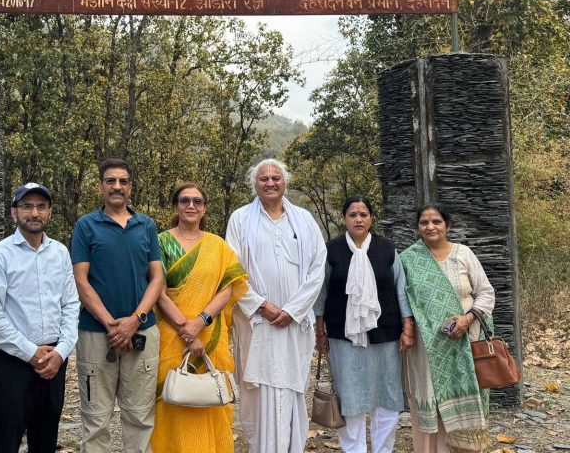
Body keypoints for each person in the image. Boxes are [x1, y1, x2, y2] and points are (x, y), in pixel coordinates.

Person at [226, 158, 327, 453]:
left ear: (285, 182)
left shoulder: (304, 220)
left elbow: (317, 268)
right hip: (258, 323)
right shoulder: (240, 219)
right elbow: (232, 269)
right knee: (258, 391)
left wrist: (292, 311)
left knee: (292, 388)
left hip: (294, 324)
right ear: (254, 185)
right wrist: (261, 306)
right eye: (263, 179)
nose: (270, 183)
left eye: (276, 178)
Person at [71, 158, 165, 453]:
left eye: (123, 181)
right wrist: (112, 324)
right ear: (100, 187)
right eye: (110, 181)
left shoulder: (146, 225)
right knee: (96, 419)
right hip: (97, 335)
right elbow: (81, 281)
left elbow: (157, 277)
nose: (117, 186)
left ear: (130, 188)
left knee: (139, 415)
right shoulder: (86, 226)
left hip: (142, 334)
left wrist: (135, 320)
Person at [0, 182, 80, 453]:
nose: (34, 213)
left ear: (49, 212)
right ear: (14, 213)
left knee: (45, 442)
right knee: (6, 443)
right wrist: (31, 353)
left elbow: (71, 305)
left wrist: (60, 353)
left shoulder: (59, 252)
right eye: (27, 206)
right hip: (13, 365)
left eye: (41, 207)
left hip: (53, 364)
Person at [313, 196, 415, 453]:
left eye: (363, 214)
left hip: (386, 335)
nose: (358, 219)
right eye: (352, 214)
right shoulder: (331, 250)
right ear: (343, 218)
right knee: (350, 398)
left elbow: (401, 290)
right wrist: (320, 332)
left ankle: (383, 449)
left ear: (371, 218)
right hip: (343, 336)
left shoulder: (387, 249)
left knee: (387, 397)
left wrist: (407, 327)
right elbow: (321, 294)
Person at [152, 183, 248, 453]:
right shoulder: (159, 242)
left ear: (204, 208)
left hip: (210, 335)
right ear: (176, 206)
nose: (191, 205)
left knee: (212, 399)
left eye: (197, 201)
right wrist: (185, 328)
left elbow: (228, 288)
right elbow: (157, 292)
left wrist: (200, 321)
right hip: (171, 336)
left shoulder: (217, 246)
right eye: (184, 200)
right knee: (172, 399)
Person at [400, 203, 495, 452]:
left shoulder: (463, 254)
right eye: (424, 222)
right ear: (418, 228)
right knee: (431, 395)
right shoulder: (408, 259)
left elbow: (485, 293)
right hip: (427, 345)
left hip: (467, 339)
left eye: (436, 221)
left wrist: (468, 318)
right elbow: (400, 300)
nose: (430, 226)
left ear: (447, 226)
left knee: (464, 393)